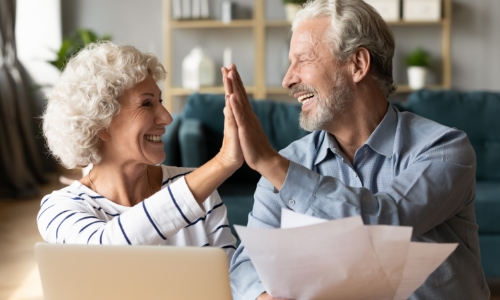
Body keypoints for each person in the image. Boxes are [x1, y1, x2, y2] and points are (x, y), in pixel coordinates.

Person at [223, 0, 490, 299]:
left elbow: (386, 222)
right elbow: (247, 264)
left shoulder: (443, 148)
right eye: (290, 63)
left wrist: (271, 164)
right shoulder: (289, 162)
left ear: (358, 64)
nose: (288, 79)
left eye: (304, 60)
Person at [38, 41, 243, 262]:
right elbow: (102, 252)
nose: (167, 118)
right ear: (100, 125)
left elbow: (230, 278)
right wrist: (223, 162)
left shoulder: (201, 191)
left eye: (160, 101)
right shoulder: (59, 209)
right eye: (146, 104)